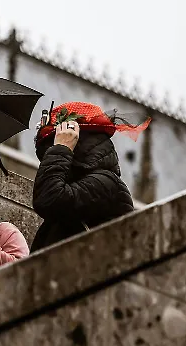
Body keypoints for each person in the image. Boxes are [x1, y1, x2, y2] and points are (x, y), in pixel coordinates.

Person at [30, 101, 149, 252]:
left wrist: (62, 148)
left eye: (56, 142)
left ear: (77, 140)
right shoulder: (85, 182)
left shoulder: (106, 183)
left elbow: (48, 199)